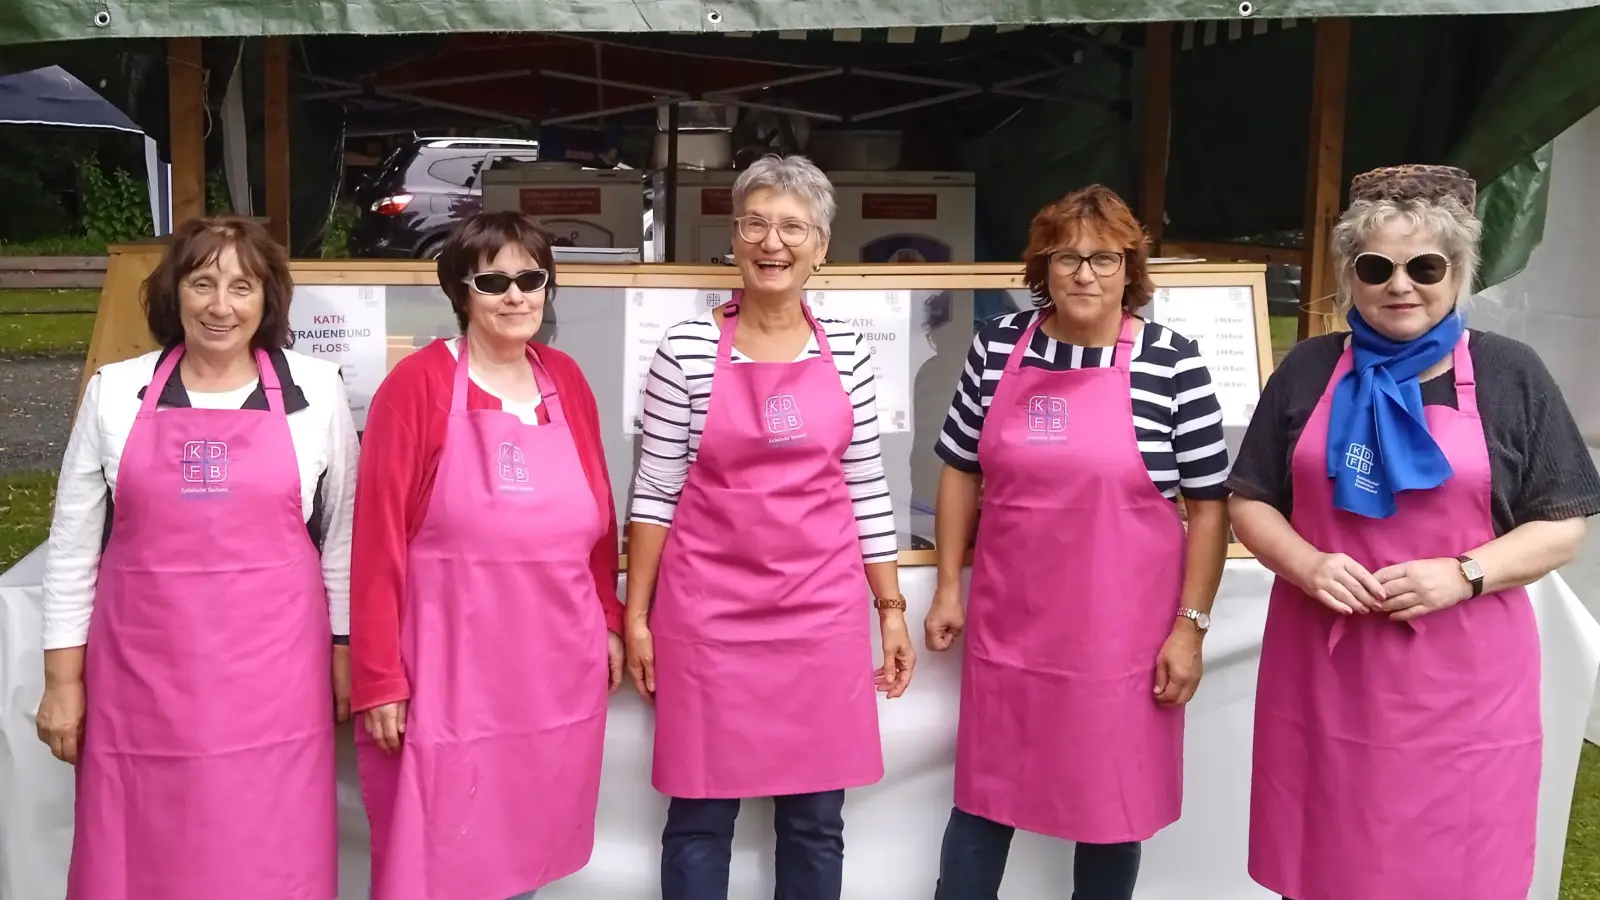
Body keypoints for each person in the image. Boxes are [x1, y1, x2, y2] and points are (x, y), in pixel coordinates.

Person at [1229, 165, 1600, 900]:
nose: (1401, 285)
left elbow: (1562, 522)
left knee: (1454, 868)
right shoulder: (1308, 369)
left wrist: (1461, 572)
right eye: (1377, 267)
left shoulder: (1508, 373)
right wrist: (1306, 564)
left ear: (1459, 273)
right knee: (1328, 859)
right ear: (1350, 277)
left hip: (1464, 685)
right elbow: (1250, 500)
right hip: (1325, 675)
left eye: (1425, 266)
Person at [34, 215, 358, 899]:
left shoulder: (317, 390)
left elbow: (341, 539)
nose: (220, 305)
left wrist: (343, 653)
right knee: (142, 853)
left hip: (276, 685)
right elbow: (71, 549)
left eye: (242, 286)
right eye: (202, 282)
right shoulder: (115, 393)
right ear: (173, 292)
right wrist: (63, 683)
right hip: (141, 684)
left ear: (268, 299)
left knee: (268, 857)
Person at [923, 185, 1232, 900]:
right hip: (1011, 631)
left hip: (1121, 642)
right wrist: (946, 585)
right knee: (983, 801)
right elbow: (960, 470)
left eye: (1103, 258)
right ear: (1043, 267)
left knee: (1110, 812)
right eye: (1067, 257)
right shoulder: (999, 347)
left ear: (1131, 268)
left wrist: (1190, 627)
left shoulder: (1172, 362)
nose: (1084, 274)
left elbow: (1210, 508)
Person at [623, 153, 916, 900]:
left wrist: (889, 609)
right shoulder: (685, 350)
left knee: (817, 820)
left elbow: (866, 486)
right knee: (699, 814)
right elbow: (655, 491)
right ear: (733, 235)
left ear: (821, 246)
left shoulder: (848, 349)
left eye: (793, 227)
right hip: (708, 615)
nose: (772, 242)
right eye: (755, 223)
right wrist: (637, 616)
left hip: (819, 616)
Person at [350, 211, 625, 900]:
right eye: (493, 280)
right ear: (461, 292)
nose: (515, 295)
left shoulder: (567, 380)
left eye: (531, 278)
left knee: (523, 852)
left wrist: (609, 618)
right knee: (444, 855)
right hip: (451, 673)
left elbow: (599, 524)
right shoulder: (415, 387)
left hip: (552, 667)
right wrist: (379, 676)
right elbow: (376, 541)